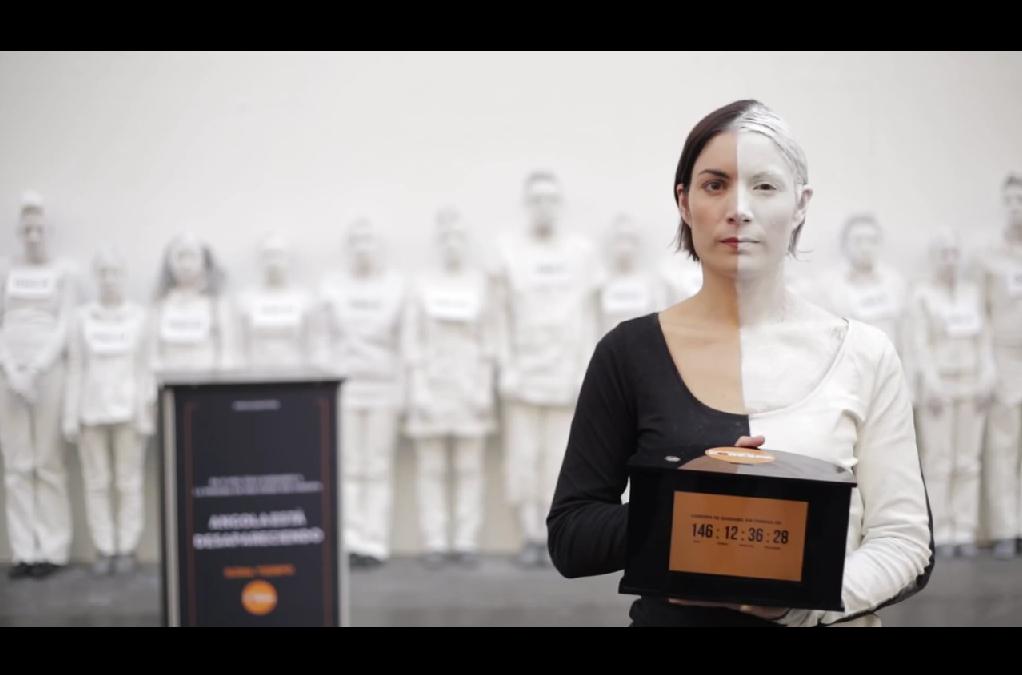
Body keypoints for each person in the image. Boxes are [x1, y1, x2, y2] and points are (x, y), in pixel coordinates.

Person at [547, 100, 934, 627]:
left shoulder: (864, 354)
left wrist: (803, 601)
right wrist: (684, 504)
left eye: (765, 186)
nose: (739, 209)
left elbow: (905, 541)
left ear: (801, 204)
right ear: (684, 203)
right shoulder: (628, 352)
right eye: (715, 185)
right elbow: (571, 537)